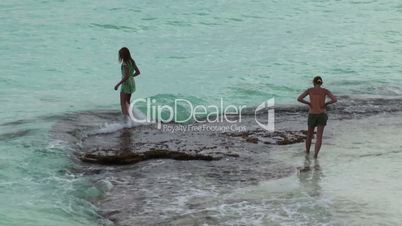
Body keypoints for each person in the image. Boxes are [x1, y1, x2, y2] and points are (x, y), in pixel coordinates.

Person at [297, 76, 337, 158]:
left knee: (309, 135)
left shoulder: (310, 90)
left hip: (312, 114)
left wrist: (308, 103)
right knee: (319, 137)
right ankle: (315, 155)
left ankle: (307, 152)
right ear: (321, 83)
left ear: (313, 82)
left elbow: (299, 98)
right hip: (322, 114)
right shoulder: (325, 91)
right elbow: (334, 99)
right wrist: (326, 104)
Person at [114, 47, 141, 119]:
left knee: (123, 103)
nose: (120, 56)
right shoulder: (132, 61)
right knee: (127, 102)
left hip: (126, 84)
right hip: (132, 83)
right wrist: (131, 76)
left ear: (123, 55)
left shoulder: (124, 64)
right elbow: (138, 72)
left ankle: (126, 120)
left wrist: (118, 84)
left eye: (120, 54)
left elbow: (126, 76)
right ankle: (131, 118)